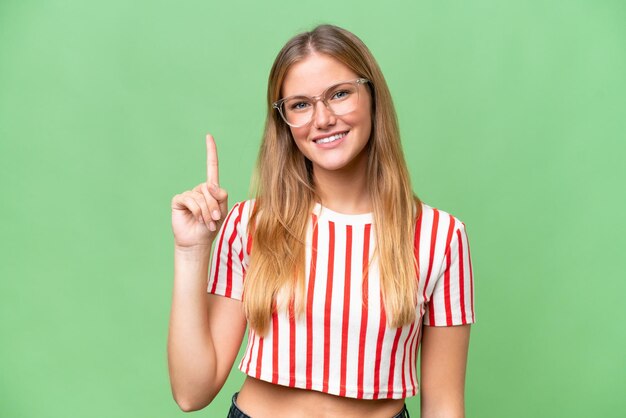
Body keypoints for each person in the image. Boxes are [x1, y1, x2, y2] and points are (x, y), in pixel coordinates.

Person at [168, 24, 475, 418]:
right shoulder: (250, 223)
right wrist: (191, 251)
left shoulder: (441, 237)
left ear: (372, 97)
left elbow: (444, 404)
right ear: (285, 122)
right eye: (300, 105)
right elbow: (192, 393)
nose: (323, 118)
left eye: (340, 94)